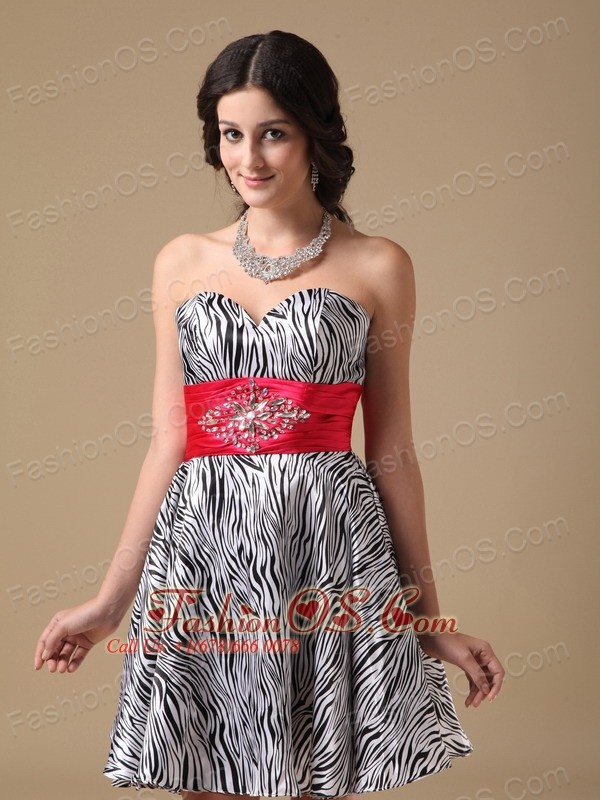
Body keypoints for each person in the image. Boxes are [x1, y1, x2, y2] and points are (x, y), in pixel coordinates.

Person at [34, 29, 504, 800]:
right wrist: (109, 603)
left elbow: (392, 452)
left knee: (315, 773)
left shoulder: (378, 265)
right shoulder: (182, 260)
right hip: (204, 549)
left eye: (273, 133)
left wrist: (428, 619)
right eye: (231, 134)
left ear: (314, 133)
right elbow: (169, 443)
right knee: (207, 774)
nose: (248, 158)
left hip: (327, 548)